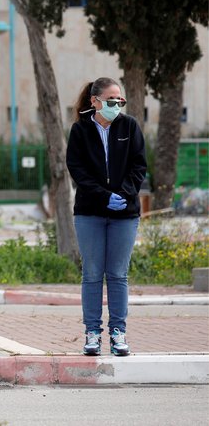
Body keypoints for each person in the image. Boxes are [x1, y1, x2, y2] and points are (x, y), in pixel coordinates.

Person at [66, 77, 146, 357]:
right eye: (111, 100)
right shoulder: (80, 130)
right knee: (91, 274)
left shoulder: (129, 126)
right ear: (95, 101)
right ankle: (91, 333)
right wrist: (103, 197)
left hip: (125, 214)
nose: (117, 105)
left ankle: (118, 332)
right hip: (90, 212)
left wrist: (123, 195)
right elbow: (76, 170)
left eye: (120, 100)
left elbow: (139, 165)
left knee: (117, 274)